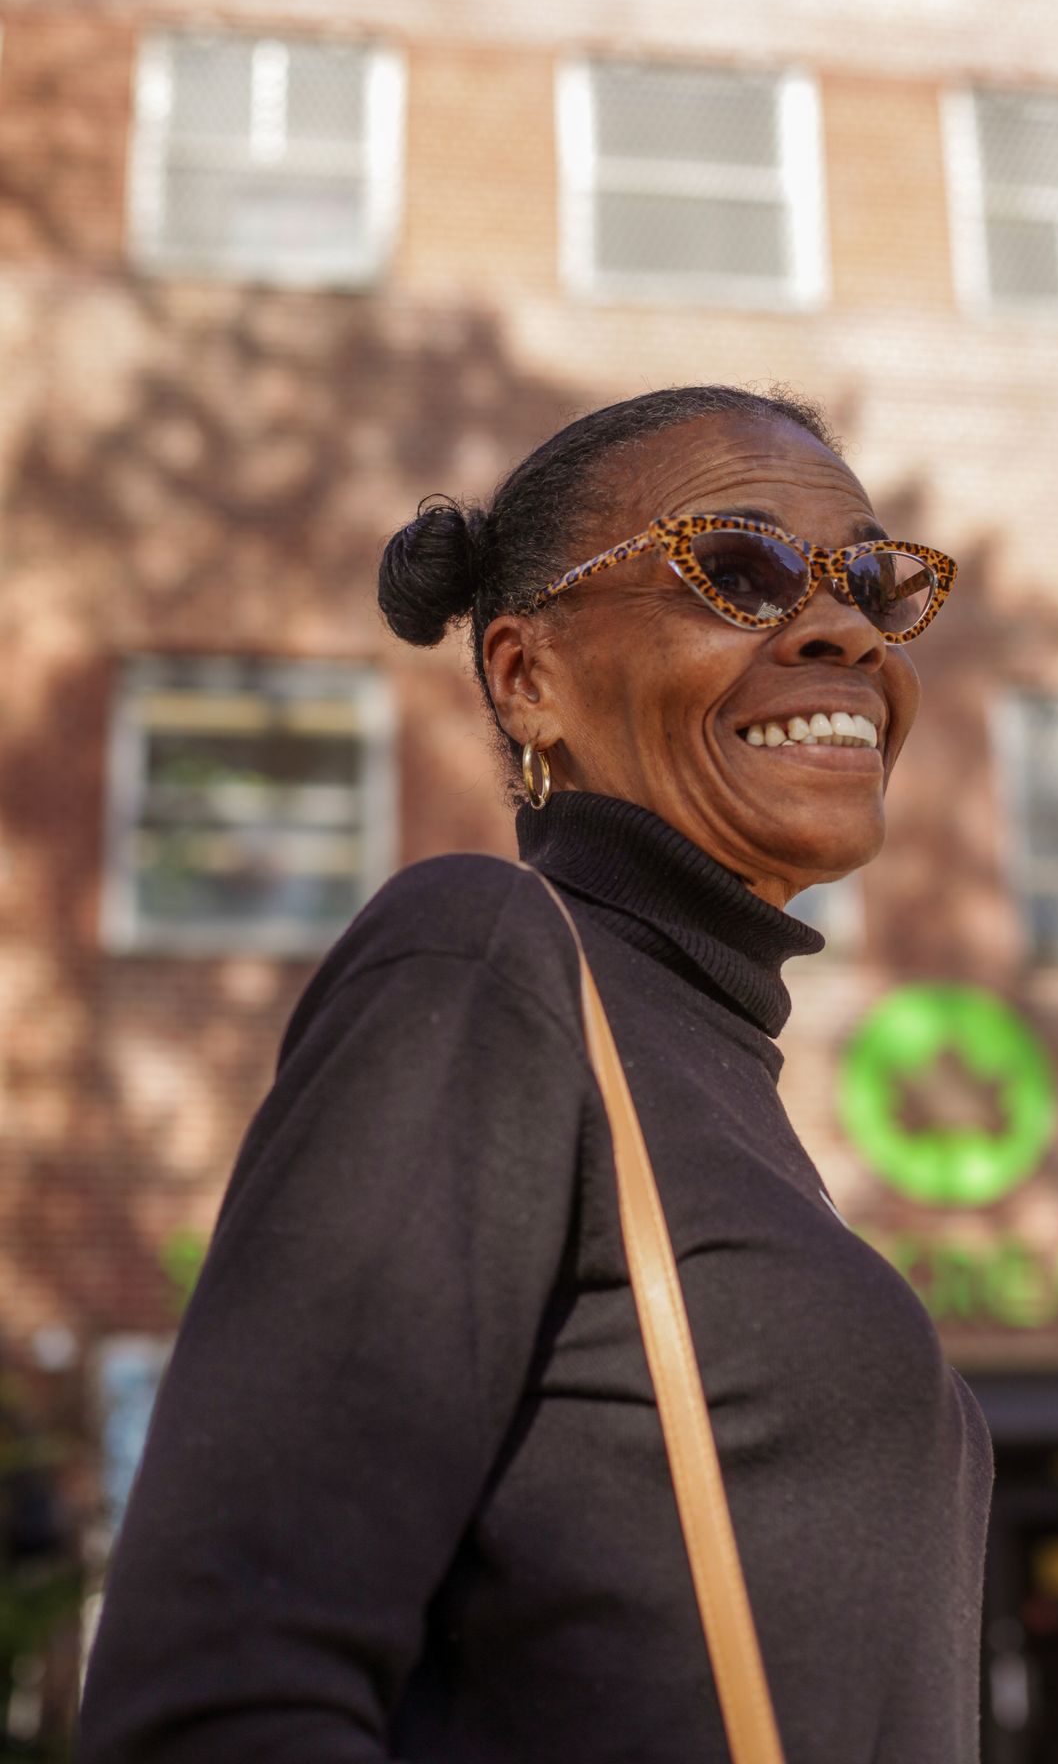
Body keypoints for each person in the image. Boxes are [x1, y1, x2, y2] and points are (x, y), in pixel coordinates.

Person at [79, 385, 994, 1763]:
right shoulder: (482, 961)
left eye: (874, 579)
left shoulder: (713, 1068)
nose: (844, 627)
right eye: (736, 570)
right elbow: (217, 1693)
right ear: (527, 678)